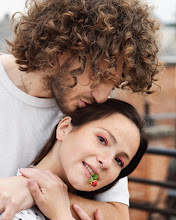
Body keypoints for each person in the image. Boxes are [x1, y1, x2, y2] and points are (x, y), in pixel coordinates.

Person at [0, 0, 162, 219]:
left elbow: (118, 214)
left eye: (113, 84)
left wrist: (33, 190)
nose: (103, 96)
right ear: (64, 46)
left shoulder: (94, 117)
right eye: (99, 75)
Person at [0, 99, 148, 220]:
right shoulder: (11, 205)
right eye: (102, 140)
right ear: (64, 128)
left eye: (119, 161)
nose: (107, 162)